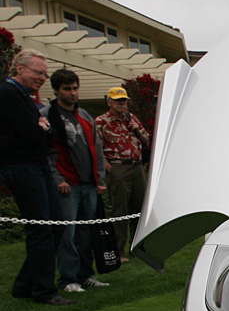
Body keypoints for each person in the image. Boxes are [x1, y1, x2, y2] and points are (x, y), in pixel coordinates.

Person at [0, 50, 75, 305]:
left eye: (44, 73)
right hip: (22, 167)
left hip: (34, 165)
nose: (42, 77)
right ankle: (44, 290)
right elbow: (34, 134)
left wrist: (41, 130)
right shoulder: (9, 94)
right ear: (20, 69)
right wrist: (40, 129)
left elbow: (47, 133)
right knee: (42, 228)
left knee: (55, 225)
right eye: (37, 72)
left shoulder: (24, 97)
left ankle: (25, 285)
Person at [43, 69, 110, 293]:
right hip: (66, 184)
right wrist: (57, 179)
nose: (72, 93)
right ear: (55, 90)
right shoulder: (48, 114)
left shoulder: (84, 115)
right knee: (67, 233)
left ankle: (86, 274)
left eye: (75, 88)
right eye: (67, 89)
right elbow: (46, 152)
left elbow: (96, 148)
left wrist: (99, 179)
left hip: (89, 184)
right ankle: (68, 279)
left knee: (86, 232)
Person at [96, 86, 150, 262]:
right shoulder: (101, 122)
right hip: (118, 167)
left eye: (124, 100)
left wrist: (135, 128)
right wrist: (109, 169)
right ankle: (118, 251)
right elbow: (97, 149)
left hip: (136, 166)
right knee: (120, 210)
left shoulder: (131, 118)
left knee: (139, 208)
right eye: (118, 101)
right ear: (109, 102)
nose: (122, 104)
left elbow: (147, 140)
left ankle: (138, 248)